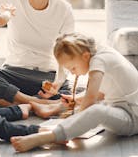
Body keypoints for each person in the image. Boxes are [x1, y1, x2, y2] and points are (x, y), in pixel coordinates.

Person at [10, 33, 138, 152]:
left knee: (95, 111)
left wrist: (78, 120)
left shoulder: (99, 61)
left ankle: (48, 137)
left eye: (73, 68)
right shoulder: (101, 52)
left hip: (132, 117)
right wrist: (75, 99)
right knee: (83, 110)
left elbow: (91, 99)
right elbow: (103, 92)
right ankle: (61, 124)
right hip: (122, 108)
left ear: (85, 56)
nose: (72, 72)